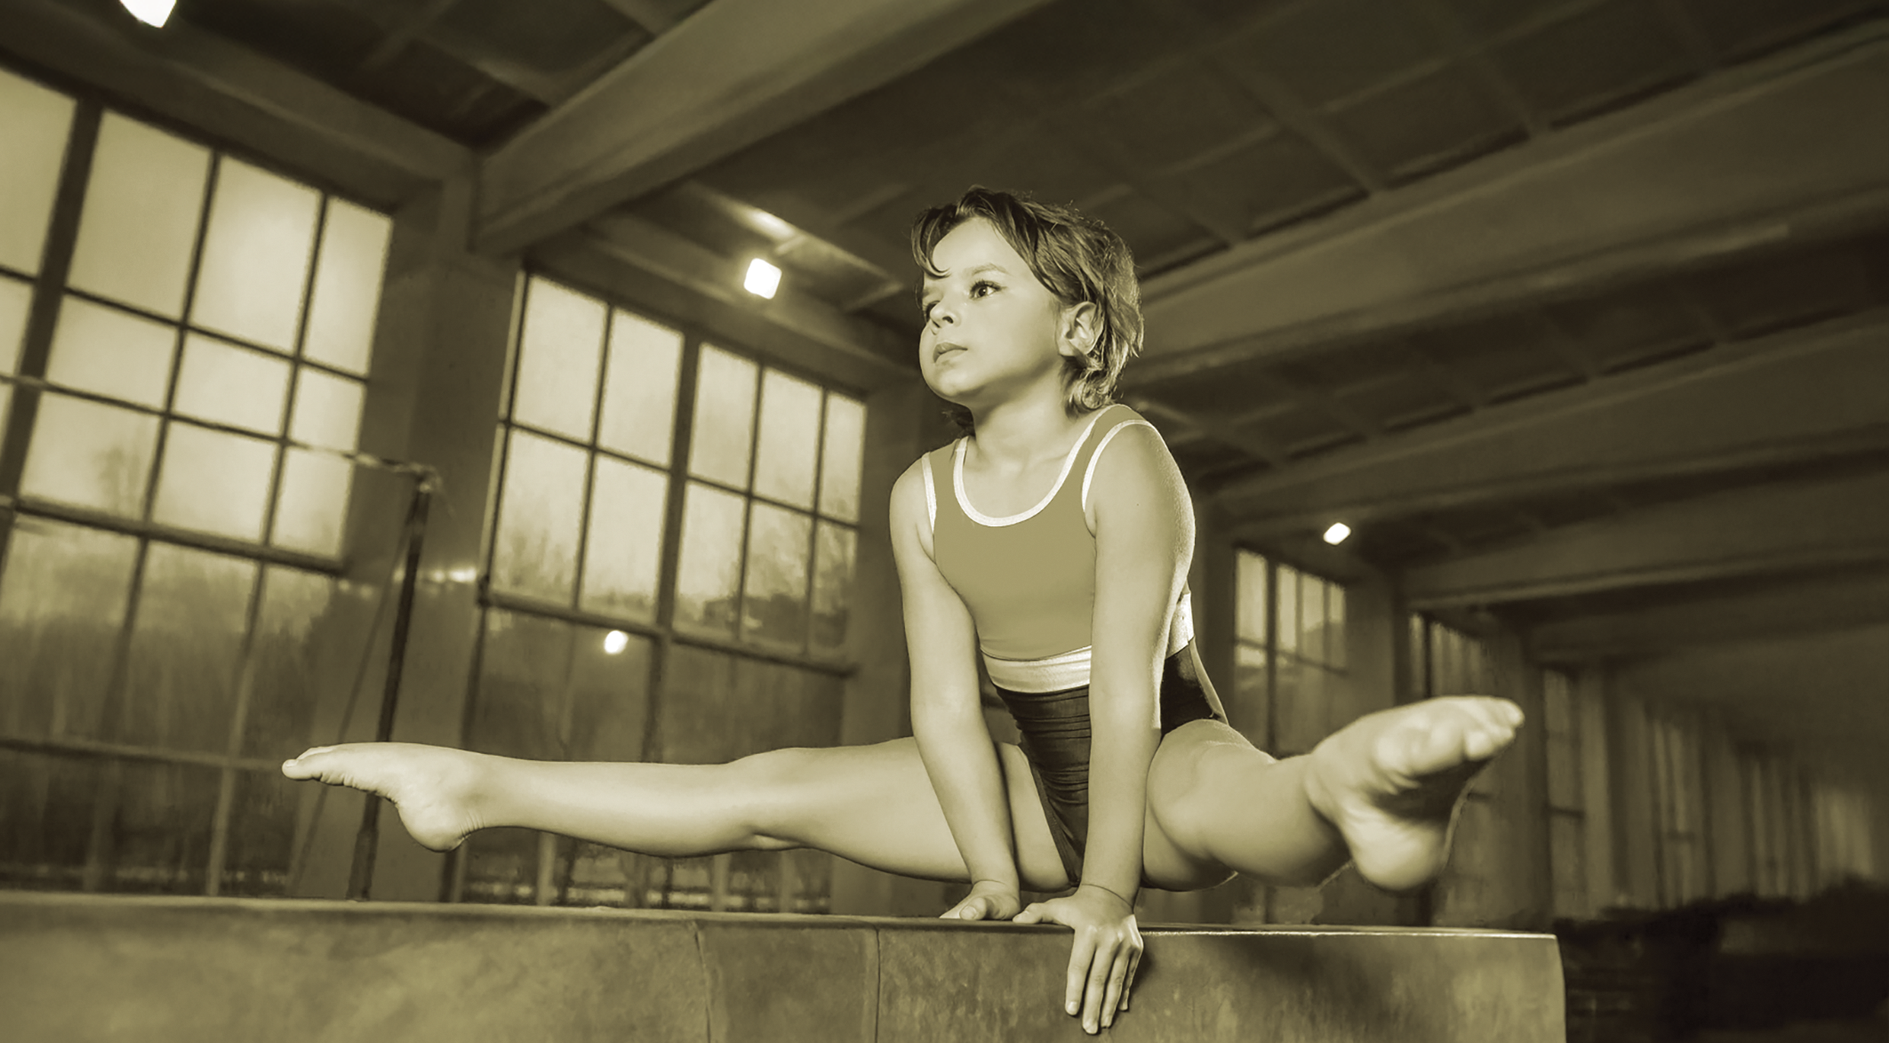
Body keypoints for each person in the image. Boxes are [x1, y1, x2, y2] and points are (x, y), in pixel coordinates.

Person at [283, 187, 1523, 1036]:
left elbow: (1129, 682)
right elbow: (940, 700)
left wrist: (1104, 895)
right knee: (764, 787)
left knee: (1250, 810)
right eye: (934, 294)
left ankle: (1366, 793)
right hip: (1025, 780)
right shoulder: (922, 493)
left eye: (986, 288)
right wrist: (994, 874)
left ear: (1078, 325)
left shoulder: (1125, 458)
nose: (943, 311)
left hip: (1163, 746)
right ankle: (479, 786)